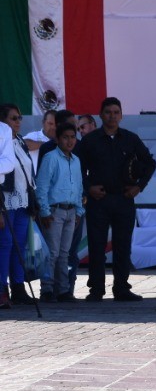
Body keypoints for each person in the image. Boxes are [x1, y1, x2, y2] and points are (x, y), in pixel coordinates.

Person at [77, 97, 155, 302]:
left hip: (123, 199)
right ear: (100, 115)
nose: (112, 116)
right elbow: (76, 168)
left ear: (121, 115)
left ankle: (121, 288)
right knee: (96, 246)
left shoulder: (131, 139)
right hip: (98, 200)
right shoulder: (90, 140)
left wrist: (139, 187)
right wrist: (88, 188)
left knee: (123, 246)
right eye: (108, 112)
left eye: (116, 112)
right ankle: (96, 290)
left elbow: (150, 163)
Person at [35, 121, 84, 303]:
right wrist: (45, 211)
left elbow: (79, 187)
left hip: (71, 211)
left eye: (72, 137)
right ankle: (47, 289)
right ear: (57, 139)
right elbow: (42, 187)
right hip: (54, 211)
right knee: (52, 253)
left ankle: (63, 290)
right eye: (65, 137)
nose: (70, 141)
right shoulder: (51, 158)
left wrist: (79, 211)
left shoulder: (76, 160)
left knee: (65, 253)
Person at [1, 104, 35, 308]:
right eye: (13, 118)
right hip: (5, 200)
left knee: (19, 245)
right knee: (5, 244)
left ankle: (18, 287)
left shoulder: (20, 140)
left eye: (19, 118)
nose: (18, 122)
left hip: (22, 201)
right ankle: (1, 289)